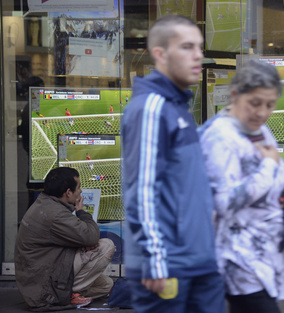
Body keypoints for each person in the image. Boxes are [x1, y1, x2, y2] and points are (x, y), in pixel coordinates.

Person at [121, 15, 225, 313]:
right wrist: (156, 258)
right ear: (160, 54)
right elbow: (141, 191)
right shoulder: (151, 108)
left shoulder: (178, 105)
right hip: (168, 266)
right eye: (187, 47)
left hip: (201, 261)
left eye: (200, 47)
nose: (198, 56)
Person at [199, 60, 284, 313]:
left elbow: (279, 174)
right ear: (235, 95)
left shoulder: (258, 129)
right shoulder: (219, 137)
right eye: (255, 103)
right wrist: (268, 168)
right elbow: (226, 201)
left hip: (263, 255)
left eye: (270, 105)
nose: (262, 112)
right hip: (237, 259)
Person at [14, 167, 115, 311]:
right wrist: (81, 212)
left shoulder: (46, 204)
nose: (80, 191)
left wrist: (85, 243)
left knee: (105, 285)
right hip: (43, 285)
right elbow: (92, 236)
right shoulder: (55, 214)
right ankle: (64, 295)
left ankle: (72, 293)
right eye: (78, 187)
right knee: (106, 246)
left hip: (44, 271)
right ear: (68, 193)